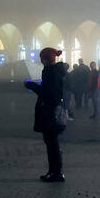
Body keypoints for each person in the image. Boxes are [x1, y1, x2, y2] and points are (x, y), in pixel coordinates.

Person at [26, 47, 68, 182]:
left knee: (52, 143)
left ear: (46, 59)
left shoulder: (51, 72)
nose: (40, 61)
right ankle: (54, 171)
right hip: (52, 109)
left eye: (42, 58)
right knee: (51, 142)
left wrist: (33, 86)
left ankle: (56, 172)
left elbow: (48, 93)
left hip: (50, 110)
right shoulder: (55, 71)